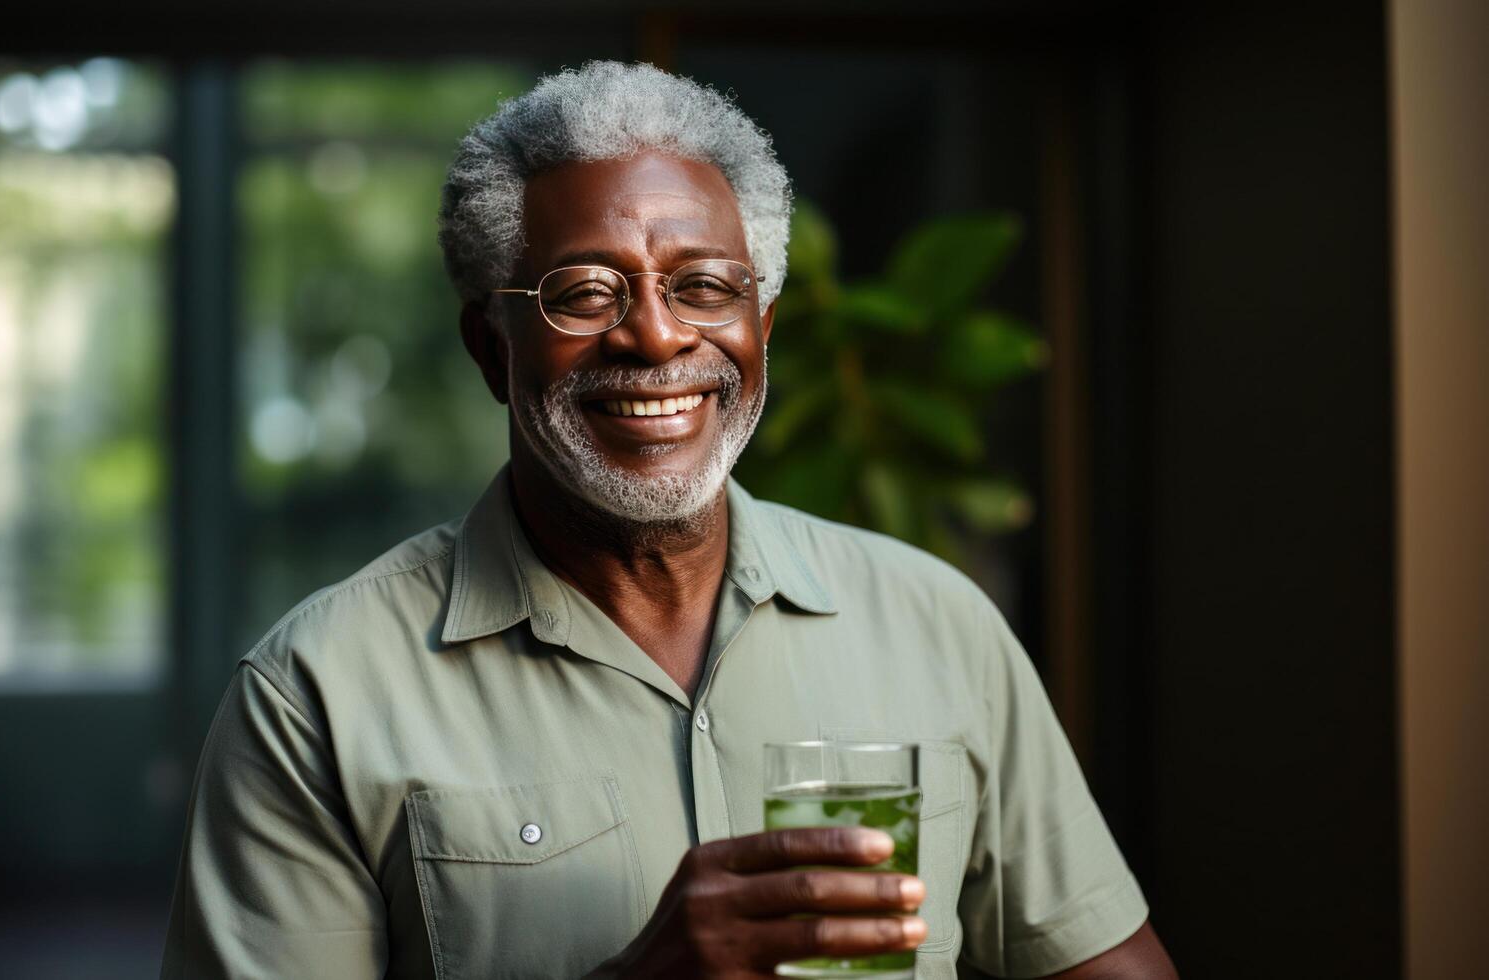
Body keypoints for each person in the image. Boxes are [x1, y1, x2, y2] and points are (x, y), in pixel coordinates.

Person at [161, 60, 1176, 979]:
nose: (654, 335)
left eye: (703, 286)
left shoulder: (937, 623)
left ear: (762, 331)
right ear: (491, 347)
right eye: (585, 291)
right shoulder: (316, 694)